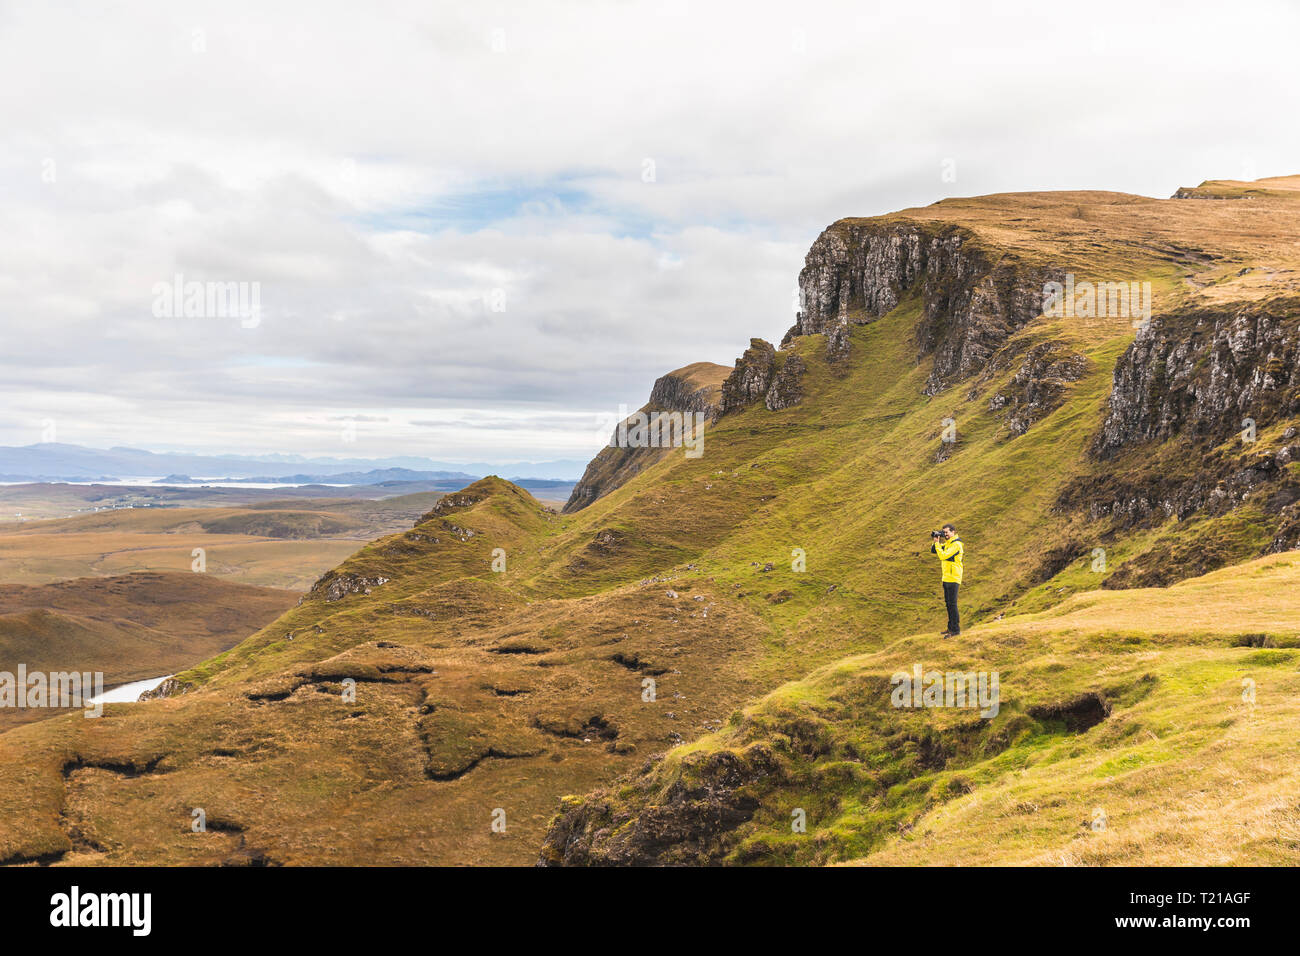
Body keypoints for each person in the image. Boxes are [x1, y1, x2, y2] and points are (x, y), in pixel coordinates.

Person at [930, 523, 963, 637]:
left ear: (953, 531)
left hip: (954, 578)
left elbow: (943, 556)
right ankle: (950, 628)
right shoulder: (948, 544)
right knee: (948, 604)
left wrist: (939, 545)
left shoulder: (957, 544)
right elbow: (934, 551)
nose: (945, 535)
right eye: (943, 533)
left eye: (947, 532)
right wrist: (936, 541)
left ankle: (956, 630)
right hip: (946, 577)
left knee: (952, 604)